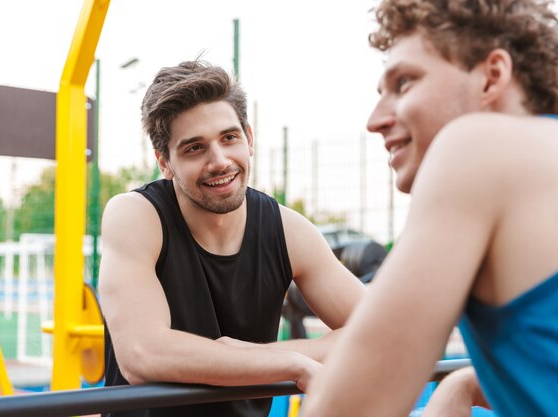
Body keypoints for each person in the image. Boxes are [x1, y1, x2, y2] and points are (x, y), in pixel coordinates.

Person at [302, 1, 558, 416]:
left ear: (491, 77)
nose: (375, 118)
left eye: (404, 83)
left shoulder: (475, 146)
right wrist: (466, 381)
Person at [98, 60, 366, 417]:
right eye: (194, 148)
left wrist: (264, 356)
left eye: (229, 138)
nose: (220, 161)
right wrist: (291, 364)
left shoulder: (288, 230)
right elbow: (143, 355)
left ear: (249, 138)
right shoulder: (136, 215)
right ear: (164, 162)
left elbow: (377, 331)